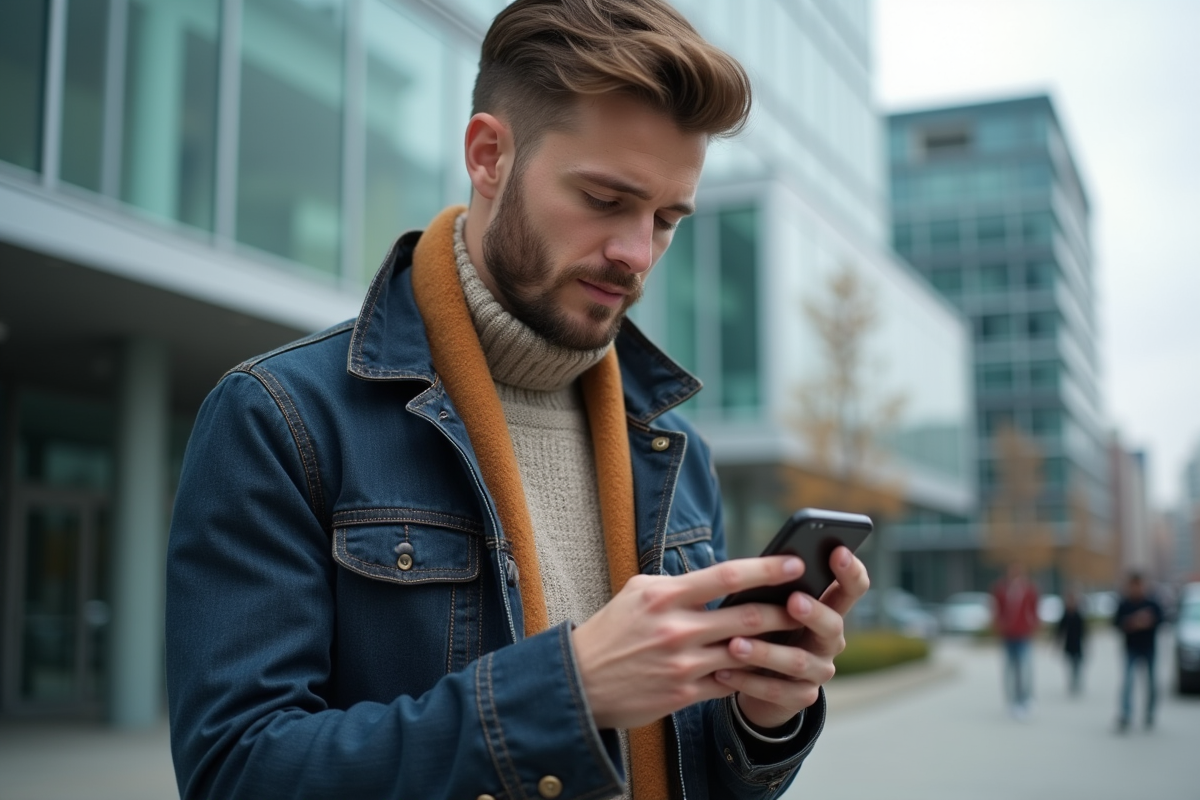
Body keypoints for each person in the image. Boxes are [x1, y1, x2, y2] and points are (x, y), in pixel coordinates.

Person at [164, 2, 870, 799]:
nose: (638, 253)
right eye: (606, 199)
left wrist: (762, 716)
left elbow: (697, 770)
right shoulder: (279, 418)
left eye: (667, 219)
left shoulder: (676, 454)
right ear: (489, 155)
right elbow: (237, 773)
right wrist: (564, 691)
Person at [1113, 572, 1163, 731]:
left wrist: (1149, 620)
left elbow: (1162, 620)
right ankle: (1126, 714)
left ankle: (1149, 713)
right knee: (1128, 682)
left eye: (1138, 585)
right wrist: (1131, 622)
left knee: (1151, 683)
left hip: (1148, 647)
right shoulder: (1124, 604)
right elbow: (1116, 624)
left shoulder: (1152, 603)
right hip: (1131, 648)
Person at [991, 562, 1040, 719]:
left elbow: (1035, 610)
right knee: (1009, 671)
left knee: (1025, 669)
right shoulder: (1001, 589)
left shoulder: (1028, 589)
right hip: (1008, 636)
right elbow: (996, 610)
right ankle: (1012, 701)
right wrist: (1000, 625)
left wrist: (1033, 626)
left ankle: (1025, 700)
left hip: (1023, 635)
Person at [1056, 589, 1086, 696]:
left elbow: (1084, 631)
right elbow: (1060, 630)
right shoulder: (1065, 614)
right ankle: (1072, 682)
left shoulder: (1078, 614)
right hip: (1068, 645)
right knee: (1070, 664)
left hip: (1078, 645)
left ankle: (1077, 682)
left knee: (1077, 664)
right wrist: (1057, 643)